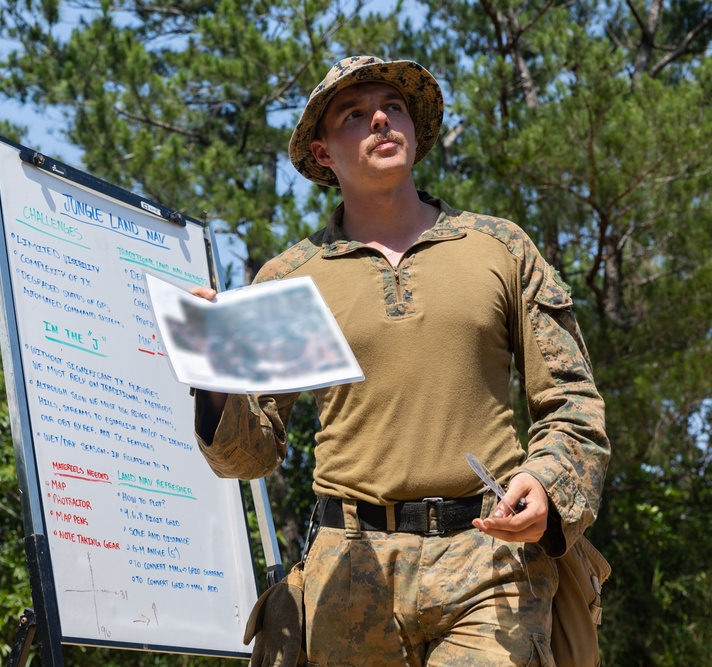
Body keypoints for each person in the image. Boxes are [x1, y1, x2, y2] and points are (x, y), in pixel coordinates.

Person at [189, 55, 609, 666]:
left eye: (394, 107)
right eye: (354, 114)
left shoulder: (500, 248)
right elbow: (250, 456)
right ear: (323, 152)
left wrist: (546, 483)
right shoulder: (287, 280)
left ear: (414, 131)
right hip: (346, 570)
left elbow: (572, 402)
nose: (381, 119)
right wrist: (213, 379)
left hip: (487, 558)